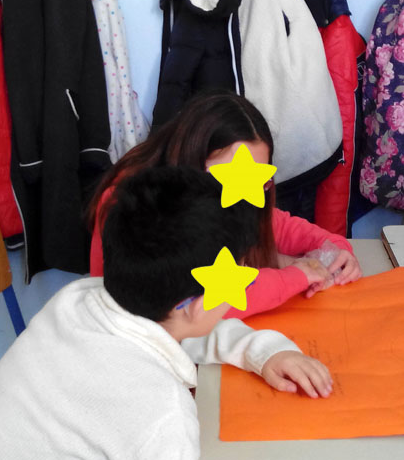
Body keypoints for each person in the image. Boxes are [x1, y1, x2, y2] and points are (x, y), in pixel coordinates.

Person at [0, 166, 334, 460]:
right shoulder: (158, 412)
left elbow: (180, 328)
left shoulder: (80, 299)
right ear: (196, 303)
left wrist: (264, 351)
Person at [88, 91, 361, 319]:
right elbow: (208, 298)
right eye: (231, 179)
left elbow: (277, 225)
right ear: (192, 161)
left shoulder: (232, 194)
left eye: (254, 180)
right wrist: (296, 276)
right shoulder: (138, 206)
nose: (241, 193)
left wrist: (335, 250)